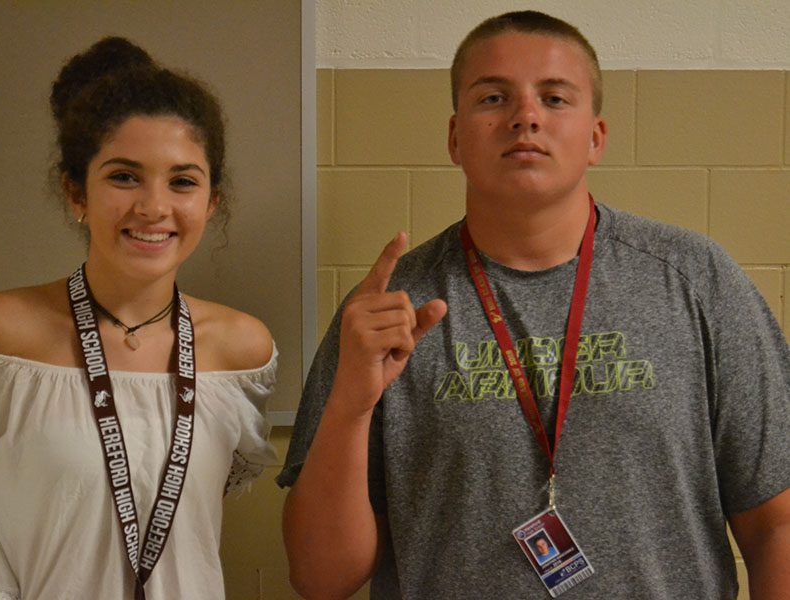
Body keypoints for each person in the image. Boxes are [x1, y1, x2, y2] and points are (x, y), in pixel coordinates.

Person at [279, 10, 790, 600]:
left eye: (554, 98)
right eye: (494, 98)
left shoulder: (697, 280)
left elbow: (776, 523)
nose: (525, 117)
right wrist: (350, 402)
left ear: (595, 137)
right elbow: (320, 579)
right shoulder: (390, 310)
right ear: (454, 138)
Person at [0, 37, 277, 600]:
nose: (153, 207)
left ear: (211, 201)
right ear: (77, 193)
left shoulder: (242, 350)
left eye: (183, 181)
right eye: (124, 177)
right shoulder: (1, 334)